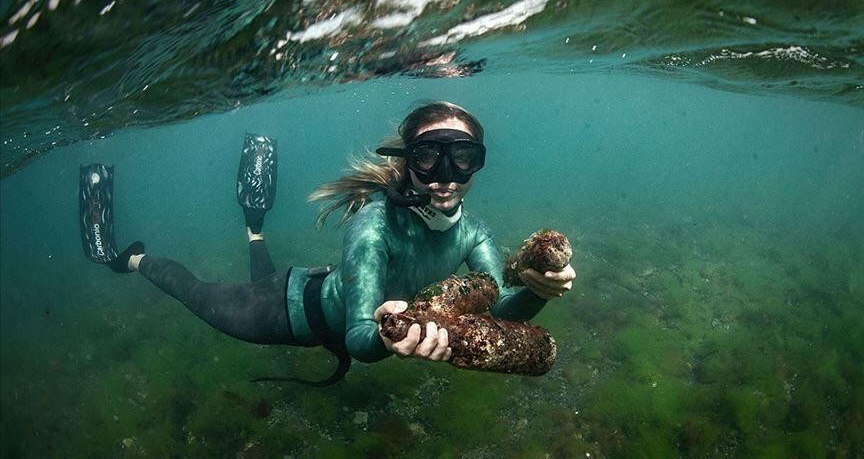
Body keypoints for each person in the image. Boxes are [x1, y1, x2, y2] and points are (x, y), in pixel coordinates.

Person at [79, 101, 576, 385]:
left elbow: (499, 313)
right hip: (288, 311)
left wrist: (537, 289)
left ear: (477, 162)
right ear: (408, 161)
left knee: (259, 272)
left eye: (463, 158)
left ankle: (255, 228)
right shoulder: (374, 226)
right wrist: (389, 334)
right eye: (428, 158)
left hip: (324, 289)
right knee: (196, 293)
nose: (445, 178)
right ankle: (132, 258)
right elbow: (360, 339)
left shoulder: (476, 234)